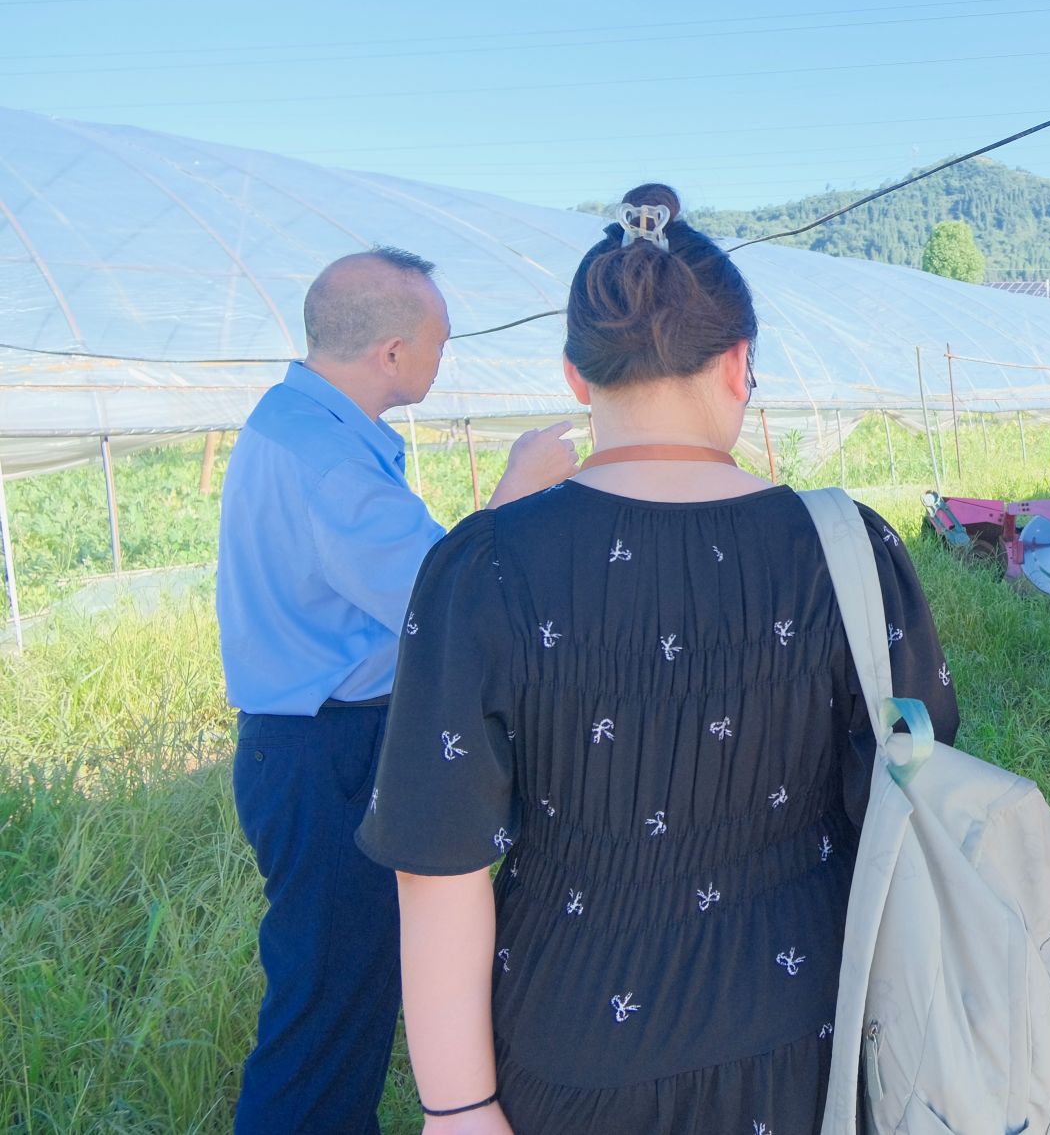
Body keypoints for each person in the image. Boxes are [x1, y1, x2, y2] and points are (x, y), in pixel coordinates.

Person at [356, 184, 960, 1134]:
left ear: (575, 375)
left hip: (569, 1044)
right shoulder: (848, 549)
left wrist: (459, 1107)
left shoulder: (481, 567)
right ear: (740, 364)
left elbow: (439, 862)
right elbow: (916, 786)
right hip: (806, 1031)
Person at [217, 247, 578, 1134]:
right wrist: (518, 491)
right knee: (326, 1011)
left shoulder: (297, 424)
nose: (440, 359)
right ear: (390, 352)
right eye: (438, 343)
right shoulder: (330, 462)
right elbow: (446, 600)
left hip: (308, 740)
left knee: (338, 990)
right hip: (329, 750)